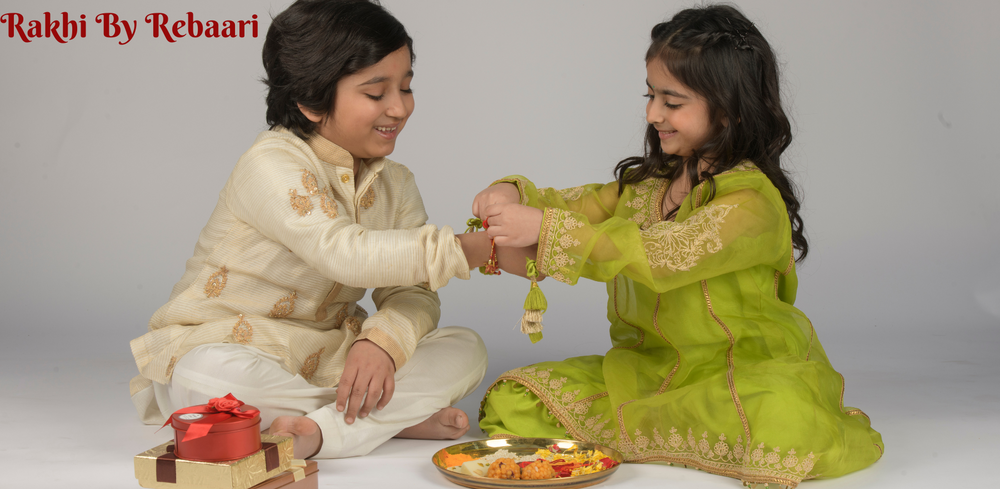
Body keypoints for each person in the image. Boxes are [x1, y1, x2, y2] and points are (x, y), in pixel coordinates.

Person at [472, 5, 883, 487]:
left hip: (739, 376)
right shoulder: (650, 184)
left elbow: (660, 256)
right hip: (647, 373)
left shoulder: (751, 203)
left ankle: (673, 431)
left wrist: (544, 228)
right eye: (650, 95)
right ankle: (667, 429)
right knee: (514, 397)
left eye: (671, 101)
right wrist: (510, 193)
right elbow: (573, 206)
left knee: (785, 415)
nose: (652, 115)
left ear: (728, 109)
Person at [128, 0, 510, 459]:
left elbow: (412, 291)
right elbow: (344, 253)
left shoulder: (397, 184)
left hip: (332, 353)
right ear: (310, 101)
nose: (399, 107)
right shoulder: (270, 162)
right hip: (233, 345)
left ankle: (325, 428)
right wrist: (478, 248)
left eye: (406, 87)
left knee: (466, 348)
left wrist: (381, 344)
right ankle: (382, 417)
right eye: (376, 93)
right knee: (206, 376)